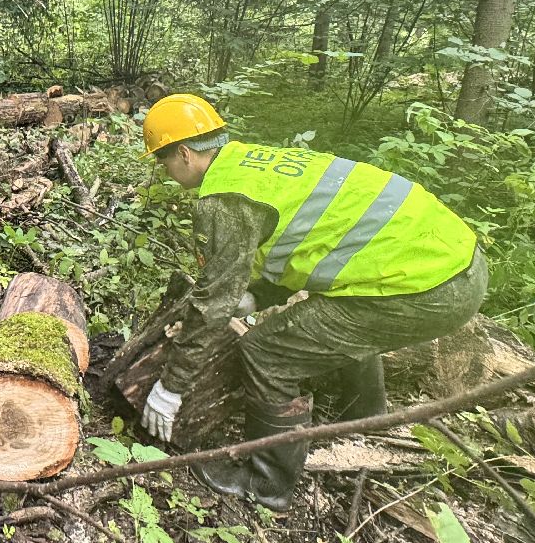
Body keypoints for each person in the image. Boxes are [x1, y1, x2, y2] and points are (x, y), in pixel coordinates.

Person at [137, 93, 486, 510]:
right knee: (338, 308)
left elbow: (213, 303)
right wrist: (258, 296)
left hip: (428, 288)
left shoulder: (224, 199)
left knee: (266, 351)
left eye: (164, 162)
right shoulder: (254, 163)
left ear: (185, 153)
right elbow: (308, 240)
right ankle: (363, 416)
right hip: (457, 259)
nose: (166, 172)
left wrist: (170, 388)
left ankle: (267, 482)